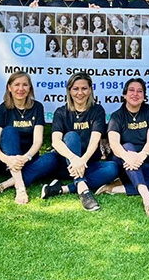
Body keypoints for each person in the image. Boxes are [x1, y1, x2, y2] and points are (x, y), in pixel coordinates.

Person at [96, 78, 149, 219]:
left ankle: (117, 188)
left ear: (144, 96)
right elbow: (114, 144)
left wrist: (140, 157)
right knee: (128, 146)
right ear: (124, 95)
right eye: (131, 90)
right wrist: (129, 157)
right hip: (123, 163)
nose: (135, 94)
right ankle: (146, 197)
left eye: (140, 91)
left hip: (145, 162)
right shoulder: (117, 116)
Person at [41, 73, 119, 211]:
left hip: (87, 164)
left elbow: (95, 140)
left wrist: (82, 161)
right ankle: (83, 189)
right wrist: (74, 159)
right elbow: (56, 141)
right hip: (67, 165)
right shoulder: (61, 112)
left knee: (112, 168)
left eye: (84, 88)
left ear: (90, 90)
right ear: (69, 91)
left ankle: (62, 189)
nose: (80, 93)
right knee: (71, 137)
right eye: (75, 89)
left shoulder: (97, 110)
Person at [0, 72, 56, 204]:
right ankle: (20, 188)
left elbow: (38, 141)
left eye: (25, 85)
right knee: (9, 131)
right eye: (16, 85)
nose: (21, 89)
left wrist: (26, 157)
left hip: (28, 160)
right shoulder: (2, 109)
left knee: (52, 158)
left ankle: (4, 185)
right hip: (5, 162)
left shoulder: (37, 107)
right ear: (9, 87)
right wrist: (8, 159)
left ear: (30, 88)